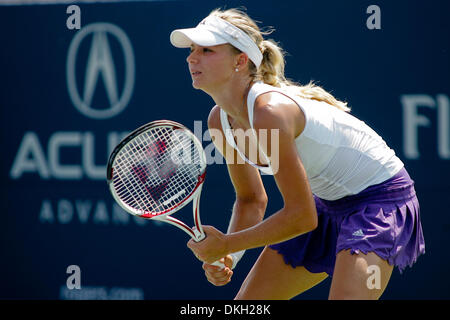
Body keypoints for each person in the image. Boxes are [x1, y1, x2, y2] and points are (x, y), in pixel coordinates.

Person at [169, 8, 425, 300]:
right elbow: (252, 199)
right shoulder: (219, 121)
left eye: (206, 50)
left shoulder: (269, 113)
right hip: (325, 205)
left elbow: (302, 217)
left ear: (240, 61)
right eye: (192, 50)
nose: (192, 58)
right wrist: (231, 255)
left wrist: (227, 243)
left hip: (379, 203)